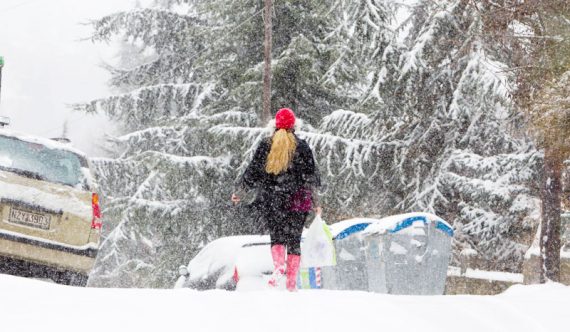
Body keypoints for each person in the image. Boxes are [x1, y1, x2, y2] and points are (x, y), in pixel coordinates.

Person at [231, 108, 322, 291]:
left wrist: (240, 191)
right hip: (299, 200)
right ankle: (291, 284)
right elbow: (311, 177)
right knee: (294, 240)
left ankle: (279, 266)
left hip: (273, 199)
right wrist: (316, 203)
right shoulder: (302, 147)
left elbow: (253, 171)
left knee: (277, 236)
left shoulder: (266, 145)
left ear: (275, 125)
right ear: (294, 126)